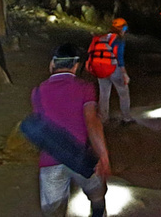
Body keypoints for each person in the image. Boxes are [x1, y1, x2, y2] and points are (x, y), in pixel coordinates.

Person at [31, 43, 110, 216]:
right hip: (81, 156)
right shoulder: (85, 88)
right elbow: (92, 123)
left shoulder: (38, 91)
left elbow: (41, 126)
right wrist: (102, 156)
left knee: (54, 211)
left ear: (52, 64)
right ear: (76, 65)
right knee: (97, 195)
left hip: (51, 159)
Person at [98, 18, 135, 125]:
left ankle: (103, 119)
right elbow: (119, 57)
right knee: (123, 93)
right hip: (114, 68)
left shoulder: (104, 37)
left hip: (101, 68)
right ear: (123, 28)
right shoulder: (119, 39)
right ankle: (126, 118)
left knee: (104, 94)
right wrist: (124, 73)